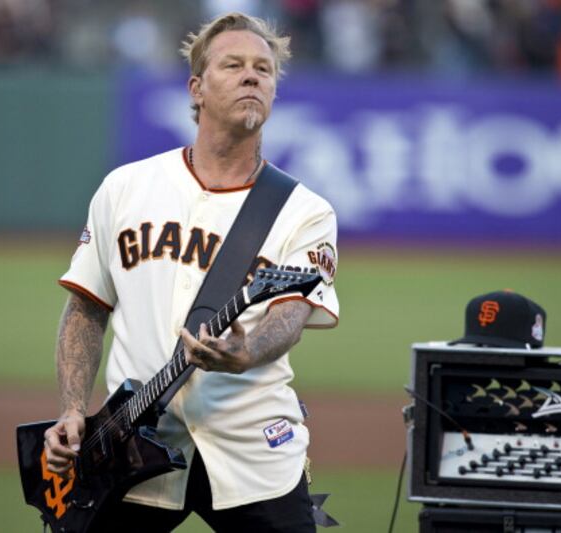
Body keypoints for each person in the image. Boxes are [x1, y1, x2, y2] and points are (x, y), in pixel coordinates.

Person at [43, 12, 339, 532]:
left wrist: (246, 351)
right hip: (133, 443)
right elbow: (86, 307)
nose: (252, 77)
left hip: (253, 450)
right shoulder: (126, 188)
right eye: (234, 65)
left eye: (264, 69)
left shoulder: (305, 212)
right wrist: (72, 409)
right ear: (196, 89)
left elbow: (289, 317)